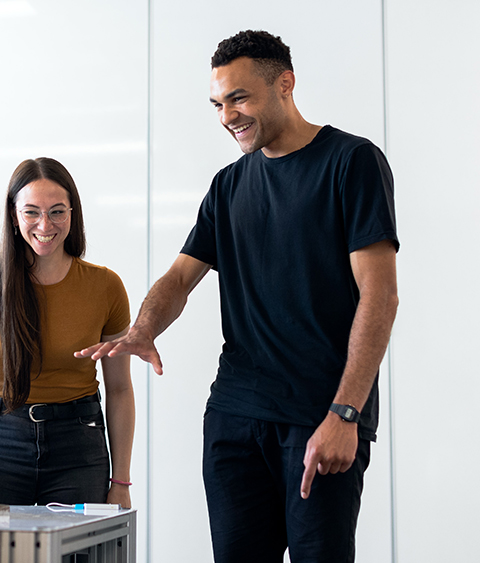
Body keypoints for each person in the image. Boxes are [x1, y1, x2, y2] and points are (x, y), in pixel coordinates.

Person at [76, 30, 399, 562]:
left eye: (239, 97)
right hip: (235, 418)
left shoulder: (351, 162)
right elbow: (179, 280)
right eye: (218, 103)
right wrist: (142, 330)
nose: (227, 115)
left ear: (285, 85)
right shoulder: (228, 185)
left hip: (320, 418)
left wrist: (346, 414)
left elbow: (380, 296)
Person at [0, 157, 135, 508]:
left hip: (78, 441)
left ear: (72, 214)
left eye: (57, 211)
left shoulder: (106, 286)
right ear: (14, 216)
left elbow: (120, 388)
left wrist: (120, 481)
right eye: (31, 211)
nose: (44, 224)